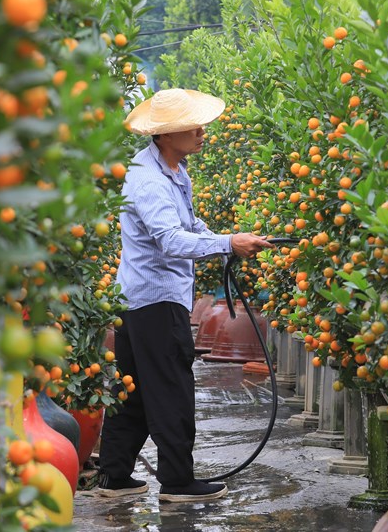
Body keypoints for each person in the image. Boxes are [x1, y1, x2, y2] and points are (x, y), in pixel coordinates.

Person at [97, 89, 272, 502]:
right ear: (163, 134)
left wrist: (231, 239)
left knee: (134, 390)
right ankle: (177, 482)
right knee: (172, 388)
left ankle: (114, 477)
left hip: (142, 300)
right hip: (156, 302)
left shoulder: (174, 170)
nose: (200, 131)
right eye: (190, 126)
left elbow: (189, 224)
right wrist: (228, 243)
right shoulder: (150, 180)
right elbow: (170, 240)